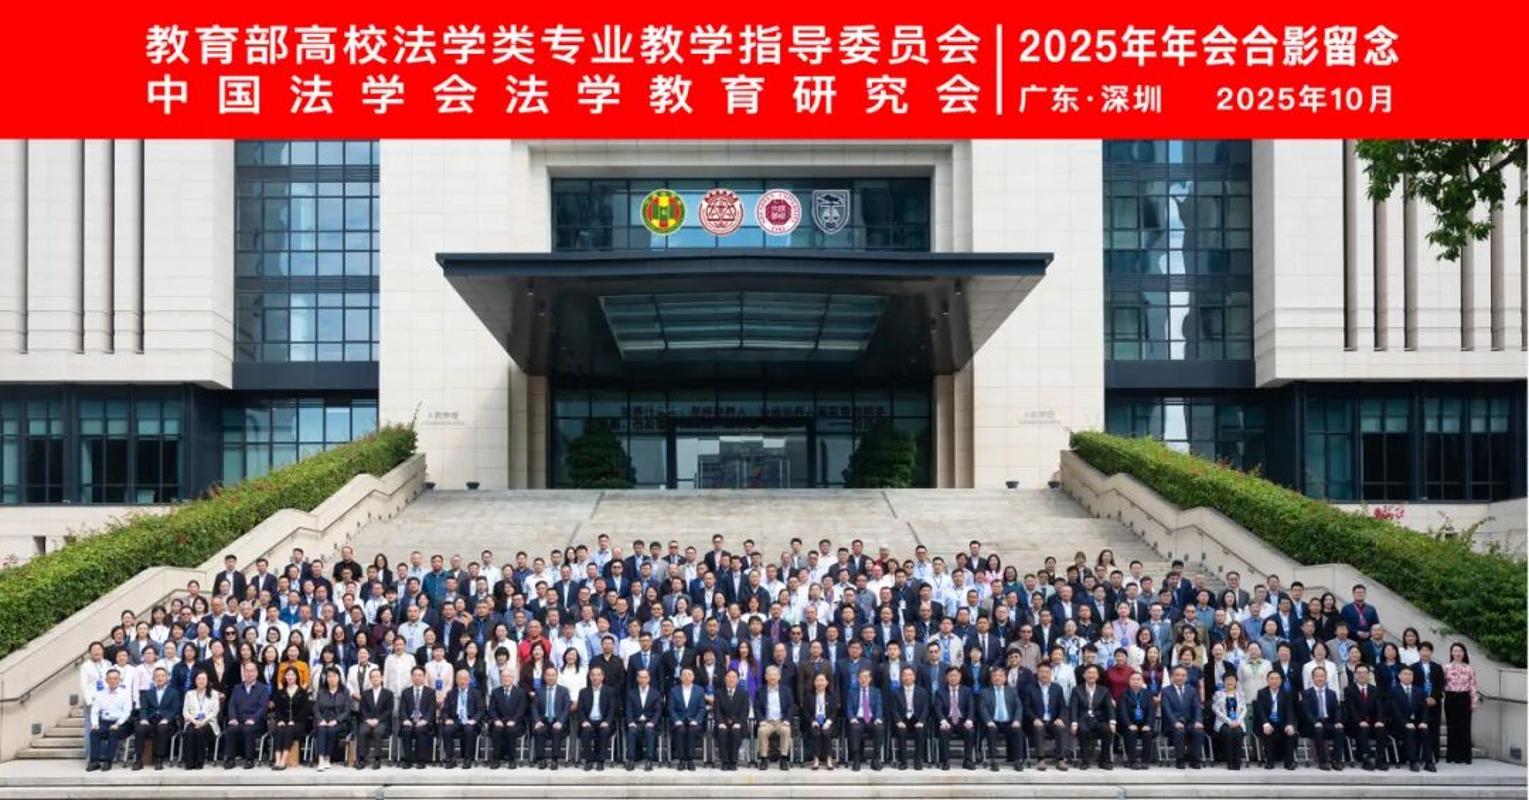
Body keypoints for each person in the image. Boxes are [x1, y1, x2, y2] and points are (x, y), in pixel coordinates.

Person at [1388, 664, 1436, 772]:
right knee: (1410, 730)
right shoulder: (1393, 691)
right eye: (1405, 674)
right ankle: (1413, 761)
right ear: (1399, 676)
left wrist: (1423, 721)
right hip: (1400, 724)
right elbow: (1395, 711)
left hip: (1417, 723)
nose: (1407, 676)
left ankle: (1428, 762)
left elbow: (1425, 709)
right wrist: (1405, 723)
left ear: (1413, 677)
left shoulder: (1420, 691)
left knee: (1425, 730)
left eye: (1410, 674)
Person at [86, 668, 134, 771]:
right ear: (106, 680)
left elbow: (127, 712)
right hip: (105, 722)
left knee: (113, 731)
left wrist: (117, 724)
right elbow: (94, 711)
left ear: (119, 680)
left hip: (122, 724)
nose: (113, 681)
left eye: (115, 678)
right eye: (110, 678)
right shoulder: (100, 694)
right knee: (94, 732)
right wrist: (95, 724)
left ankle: (108, 761)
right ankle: (94, 761)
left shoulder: (125, 693)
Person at [224, 662, 270, 769]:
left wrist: (253, 719)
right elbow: (231, 705)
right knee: (231, 729)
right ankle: (230, 759)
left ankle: (249, 759)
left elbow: (263, 707)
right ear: (243, 673)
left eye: (252, 671)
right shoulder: (237, 688)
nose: (249, 674)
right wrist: (233, 718)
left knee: (248, 729)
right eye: (247, 671)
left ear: (256, 673)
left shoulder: (263, 688)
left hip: (257, 721)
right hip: (239, 720)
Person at [133, 666, 180, 770]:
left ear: (167, 678)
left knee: (162, 728)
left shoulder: (174, 692)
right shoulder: (147, 693)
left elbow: (175, 709)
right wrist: (144, 719)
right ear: (153, 678)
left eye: (162, 676)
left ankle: (159, 759)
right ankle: (138, 759)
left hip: (167, 721)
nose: (160, 678)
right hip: (150, 720)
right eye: (157, 676)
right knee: (140, 728)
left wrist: (167, 719)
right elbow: (143, 708)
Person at [1025, 662, 1070, 771]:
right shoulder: (1030, 688)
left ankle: (1060, 759)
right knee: (1039, 728)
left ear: (1051, 674)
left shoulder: (1057, 688)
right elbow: (1026, 708)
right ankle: (1041, 759)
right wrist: (1034, 719)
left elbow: (1063, 707)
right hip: (1037, 721)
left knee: (1060, 728)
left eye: (1047, 672)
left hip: (1053, 721)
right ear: (1037, 674)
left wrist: (1060, 718)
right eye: (1041, 672)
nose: (1044, 674)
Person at [1070, 664, 1114, 770]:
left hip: (1099, 720)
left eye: (1094, 673)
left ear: (1098, 676)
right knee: (1083, 730)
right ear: (1084, 675)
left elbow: (1109, 707)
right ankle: (1085, 761)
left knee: (1108, 730)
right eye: (1089, 673)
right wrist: (1074, 723)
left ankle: (1104, 761)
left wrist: (1112, 721)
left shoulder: (1104, 690)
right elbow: (1074, 707)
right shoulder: (1076, 690)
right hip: (1083, 720)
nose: (1091, 675)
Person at [980, 665, 1023, 772]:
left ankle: (1017, 760)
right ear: (991, 679)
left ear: (1005, 678)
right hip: (993, 722)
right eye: (995, 676)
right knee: (991, 730)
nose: (997, 678)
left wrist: (1016, 720)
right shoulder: (985, 692)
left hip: (1009, 723)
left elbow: (1019, 707)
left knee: (1017, 730)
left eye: (1000, 676)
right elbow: (983, 708)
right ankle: (994, 760)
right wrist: (988, 721)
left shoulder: (1012, 691)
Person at [1344, 663, 1387, 771]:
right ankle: (1365, 758)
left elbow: (1379, 707)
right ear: (1355, 675)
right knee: (1363, 728)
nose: (1362, 675)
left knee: (1381, 728)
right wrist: (1359, 721)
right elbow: (1351, 709)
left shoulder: (1375, 690)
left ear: (1368, 675)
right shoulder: (1349, 690)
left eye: (1364, 673)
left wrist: (1379, 720)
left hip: (1372, 723)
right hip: (1355, 724)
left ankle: (1380, 759)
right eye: (1359, 673)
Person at [1161, 665, 1204, 769]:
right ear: (1172, 677)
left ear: (1186, 677)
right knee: (1179, 731)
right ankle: (1180, 760)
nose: (1180, 677)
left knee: (1198, 731)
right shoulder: (1165, 691)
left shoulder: (1192, 690)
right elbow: (1167, 709)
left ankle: (1195, 760)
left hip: (1189, 723)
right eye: (1177, 675)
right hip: (1172, 725)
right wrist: (1175, 722)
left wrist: (1198, 721)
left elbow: (1197, 707)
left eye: (1183, 675)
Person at [1300, 666, 1343, 771]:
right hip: (1312, 725)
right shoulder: (1306, 693)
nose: (1320, 678)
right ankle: (1323, 761)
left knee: (1339, 730)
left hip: (1328, 723)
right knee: (1318, 730)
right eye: (1317, 676)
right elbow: (1306, 712)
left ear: (1326, 677)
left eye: (1322, 676)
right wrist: (1315, 722)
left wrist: (1338, 721)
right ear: (1313, 678)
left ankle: (1336, 760)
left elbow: (1337, 709)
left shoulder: (1331, 693)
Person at [1253, 669, 1297, 770]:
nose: (1274, 681)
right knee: (1267, 733)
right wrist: (1265, 723)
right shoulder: (1261, 692)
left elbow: (1289, 710)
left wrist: (1290, 724)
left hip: (1281, 723)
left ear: (1281, 680)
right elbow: (1260, 711)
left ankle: (1289, 762)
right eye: (1271, 679)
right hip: (1267, 722)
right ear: (1267, 680)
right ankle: (1270, 761)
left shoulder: (1286, 693)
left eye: (1277, 679)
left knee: (1290, 733)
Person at [1443, 643, 1478, 764]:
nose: (1457, 653)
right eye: (1455, 651)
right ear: (1451, 653)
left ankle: (1465, 756)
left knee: (1465, 727)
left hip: (1464, 698)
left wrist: (1473, 703)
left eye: (1460, 651)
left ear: (1464, 653)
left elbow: (1473, 686)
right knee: (1452, 727)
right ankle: (1452, 756)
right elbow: (1442, 684)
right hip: (1451, 698)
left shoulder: (1469, 668)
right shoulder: (1445, 667)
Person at [486, 666, 529, 768]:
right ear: (501, 678)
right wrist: (496, 720)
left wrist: (514, 720)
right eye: (503, 676)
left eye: (508, 676)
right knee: (497, 730)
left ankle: (512, 759)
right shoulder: (495, 692)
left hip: (516, 723)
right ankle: (496, 759)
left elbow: (521, 710)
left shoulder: (520, 692)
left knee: (511, 730)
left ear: (512, 678)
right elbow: (491, 709)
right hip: (499, 722)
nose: (506, 678)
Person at [269, 666, 310, 771]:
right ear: (285, 677)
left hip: (298, 723)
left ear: (296, 677)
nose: (290, 677)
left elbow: (305, 711)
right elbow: (278, 710)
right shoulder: (280, 692)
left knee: (289, 730)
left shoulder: (302, 692)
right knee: (279, 729)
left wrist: (294, 721)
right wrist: (280, 720)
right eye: (288, 675)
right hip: (284, 721)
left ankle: (283, 761)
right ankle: (277, 760)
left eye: (292, 675)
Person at [532, 665, 572, 769]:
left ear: (556, 676)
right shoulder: (539, 691)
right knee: (538, 730)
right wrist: (537, 721)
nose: (550, 677)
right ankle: (541, 759)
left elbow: (567, 708)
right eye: (548, 675)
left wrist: (560, 721)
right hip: (543, 721)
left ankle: (555, 759)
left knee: (556, 731)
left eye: (553, 675)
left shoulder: (563, 691)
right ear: (544, 677)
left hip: (557, 720)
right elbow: (534, 707)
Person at [578, 665, 617, 770]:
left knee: (604, 731)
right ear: (590, 677)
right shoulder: (583, 692)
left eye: (598, 675)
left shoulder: (610, 691)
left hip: (603, 721)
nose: (596, 677)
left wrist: (607, 721)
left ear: (602, 677)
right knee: (585, 732)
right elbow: (580, 710)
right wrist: (584, 721)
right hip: (589, 721)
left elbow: (612, 709)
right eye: (593, 675)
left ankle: (600, 761)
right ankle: (589, 760)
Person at [889, 665, 928, 770]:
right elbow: (894, 710)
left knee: (920, 730)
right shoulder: (896, 692)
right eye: (905, 675)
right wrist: (898, 721)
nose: (907, 677)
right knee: (901, 730)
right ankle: (903, 762)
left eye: (910, 675)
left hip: (917, 719)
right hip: (903, 719)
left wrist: (921, 721)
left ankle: (918, 761)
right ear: (901, 677)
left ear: (914, 677)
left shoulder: (922, 692)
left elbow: (925, 709)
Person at [398, 666, 438, 769]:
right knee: (406, 730)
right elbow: (402, 709)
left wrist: (425, 720)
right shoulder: (406, 692)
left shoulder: (430, 692)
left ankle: (421, 760)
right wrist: (405, 720)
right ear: (411, 677)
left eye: (420, 675)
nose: (417, 678)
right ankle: (408, 760)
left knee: (420, 729)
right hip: (409, 721)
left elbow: (431, 710)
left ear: (424, 677)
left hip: (424, 721)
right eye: (415, 675)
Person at [845, 667, 884, 771]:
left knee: (879, 728)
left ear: (870, 679)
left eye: (866, 677)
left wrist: (878, 718)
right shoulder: (852, 692)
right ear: (858, 679)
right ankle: (856, 759)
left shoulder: (876, 691)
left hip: (871, 719)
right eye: (861, 677)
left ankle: (875, 759)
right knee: (855, 728)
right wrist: (852, 718)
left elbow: (879, 706)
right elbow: (849, 708)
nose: (863, 679)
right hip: (858, 720)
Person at [668, 666, 707, 770]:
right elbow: (671, 708)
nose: (687, 677)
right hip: (679, 721)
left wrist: (696, 720)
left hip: (694, 721)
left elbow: (702, 708)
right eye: (684, 675)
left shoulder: (699, 690)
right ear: (680, 677)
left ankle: (690, 760)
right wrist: (676, 720)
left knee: (692, 730)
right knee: (680, 730)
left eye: (689, 674)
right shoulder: (673, 690)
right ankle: (681, 760)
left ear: (693, 677)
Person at [312, 666, 350, 770]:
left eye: (334, 676)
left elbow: (347, 710)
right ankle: (321, 759)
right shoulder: (321, 691)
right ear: (326, 678)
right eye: (329, 676)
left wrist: (337, 720)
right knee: (321, 728)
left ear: (339, 678)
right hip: (323, 720)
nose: (331, 678)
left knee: (331, 730)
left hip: (339, 722)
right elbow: (316, 708)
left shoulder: (344, 691)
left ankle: (327, 757)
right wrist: (321, 719)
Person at [180, 670, 220, 770]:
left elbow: (215, 712)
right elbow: (185, 712)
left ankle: (199, 761)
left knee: (200, 731)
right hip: (192, 720)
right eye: (199, 679)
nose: (201, 681)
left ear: (207, 681)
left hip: (208, 722)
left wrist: (203, 722)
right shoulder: (189, 694)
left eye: (203, 679)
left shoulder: (214, 694)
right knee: (189, 732)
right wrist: (194, 721)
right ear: (195, 680)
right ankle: (189, 762)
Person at [355, 667, 394, 770]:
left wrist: (378, 720)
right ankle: (361, 759)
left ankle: (377, 759)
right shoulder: (365, 693)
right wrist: (368, 720)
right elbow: (362, 709)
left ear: (382, 678)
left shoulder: (388, 693)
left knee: (377, 731)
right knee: (362, 731)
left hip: (382, 722)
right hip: (368, 721)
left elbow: (389, 710)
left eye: (377, 676)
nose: (375, 678)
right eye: (373, 677)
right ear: (370, 679)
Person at [1117, 671, 1156, 769]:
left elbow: (1151, 711)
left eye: (1138, 679)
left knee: (1148, 733)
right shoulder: (1123, 694)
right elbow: (1122, 712)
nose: (1136, 681)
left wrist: (1148, 724)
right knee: (1131, 733)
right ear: (1129, 681)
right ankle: (1132, 761)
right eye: (1133, 679)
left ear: (1142, 681)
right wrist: (1129, 724)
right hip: (1128, 724)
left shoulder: (1148, 694)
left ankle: (1145, 761)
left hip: (1144, 724)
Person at [1412, 642, 1445, 759]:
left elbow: (1441, 684)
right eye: (1422, 650)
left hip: (1435, 702)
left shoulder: (1437, 667)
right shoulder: (1413, 667)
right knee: (1420, 728)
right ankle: (1418, 754)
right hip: (1420, 703)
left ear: (1431, 652)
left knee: (1434, 729)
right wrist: (1424, 698)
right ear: (1419, 652)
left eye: (1427, 650)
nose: (1425, 653)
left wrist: (1434, 698)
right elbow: (1413, 685)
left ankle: (1434, 755)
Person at [625, 668, 663, 771]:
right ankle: (631, 759)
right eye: (641, 677)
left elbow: (658, 711)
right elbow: (628, 710)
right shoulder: (631, 693)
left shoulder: (656, 693)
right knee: (632, 731)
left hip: (650, 723)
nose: (643, 680)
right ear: (637, 679)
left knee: (649, 730)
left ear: (649, 679)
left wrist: (652, 722)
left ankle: (649, 760)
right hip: (636, 722)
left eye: (645, 677)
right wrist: (631, 722)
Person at [714, 668, 750, 771]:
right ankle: (725, 761)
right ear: (725, 679)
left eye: (734, 677)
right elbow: (717, 710)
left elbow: (745, 711)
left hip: (738, 723)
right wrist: (720, 722)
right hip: (723, 722)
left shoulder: (743, 693)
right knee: (722, 731)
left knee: (736, 731)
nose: (731, 679)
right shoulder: (719, 693)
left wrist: (739, 723)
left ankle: (733, 761)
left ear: (738, 680)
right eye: (729, 677)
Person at [1211, 670, 1247, 770]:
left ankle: (1237, 762)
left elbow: (1244, 709)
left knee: (1238, 733)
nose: (1230, 682)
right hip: (1223, 722)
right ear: (1223, 681)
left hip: (1238, 722)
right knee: (1228, 733)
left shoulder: (1240, 694)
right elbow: (1216, 710)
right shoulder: (1218, 694)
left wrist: (1238, 721)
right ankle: (1230, 762)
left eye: (1232, 680)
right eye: (1227, 680)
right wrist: (1229, 721)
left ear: (1236, 681)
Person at [803, 672, 838, 770]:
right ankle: (816, 759)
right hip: (814, 722)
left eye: (822, 680)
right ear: (814, 683)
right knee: (816, 733)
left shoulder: (831, 696)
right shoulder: (809, 696)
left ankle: (829, 758)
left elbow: (834, 711)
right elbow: (805, 712)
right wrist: (812, 721)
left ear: (827, 683)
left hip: (828, 722)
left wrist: (829, 721)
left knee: (827, 733)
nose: (820, 683)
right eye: (817, 680)